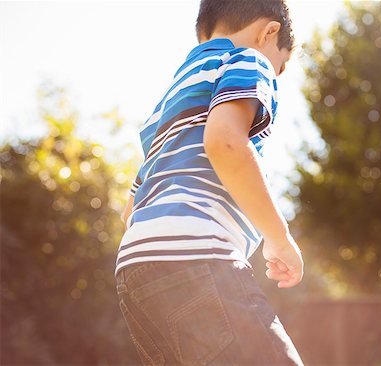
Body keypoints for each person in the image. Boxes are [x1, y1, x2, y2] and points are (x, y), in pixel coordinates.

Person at [115, 1, 304, 364]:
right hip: (199, 254)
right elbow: (225, 143)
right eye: (280, 67)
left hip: (134, 270)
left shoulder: (172, 98)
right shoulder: (249, 60)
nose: (274, 75)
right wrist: (279, 239)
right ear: (269, 32)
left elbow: (130, 210)